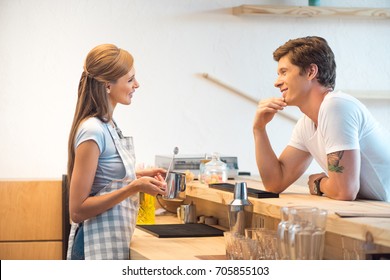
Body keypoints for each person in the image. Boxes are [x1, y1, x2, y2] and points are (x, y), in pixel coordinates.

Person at [253, 36, 390, 202]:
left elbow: (344, 191)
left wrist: (319, 183)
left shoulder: (336, 106)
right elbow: (275, 183)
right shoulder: (306, 124)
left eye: (284, 72)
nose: (277, 82)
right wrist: (259, 129)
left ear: (311, 72)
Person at [66, 44, 167, 260]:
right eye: (130, 80)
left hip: (108, 241)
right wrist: (133, 187)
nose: (137, 85)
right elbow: (77, 210)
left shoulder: (109, 125)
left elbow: (103, 182)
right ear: (107, 86)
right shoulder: (92, 130)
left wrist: (141, 177)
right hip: (92, 245)